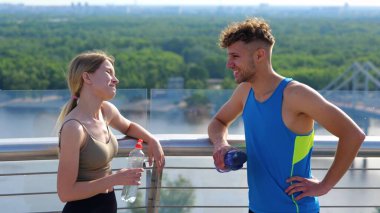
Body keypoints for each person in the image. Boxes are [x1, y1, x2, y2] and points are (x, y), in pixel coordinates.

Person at [208, 17, 366, 213]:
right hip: (256, 209)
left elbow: (353, 134)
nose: (228, 64)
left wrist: (324, 185)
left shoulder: (295, 95)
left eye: (235, 56)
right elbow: (218, 121)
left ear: (259, 55)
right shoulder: (244, 91)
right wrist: (220, 144)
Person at [56, 50, 165, 213]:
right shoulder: (74, 128)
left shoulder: (105, 110)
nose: (116, 79)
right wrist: (114, 179)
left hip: (106, 205)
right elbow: (65, 193)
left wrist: (153, 141)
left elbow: (128, 127)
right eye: (108, 72)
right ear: (87, 77)